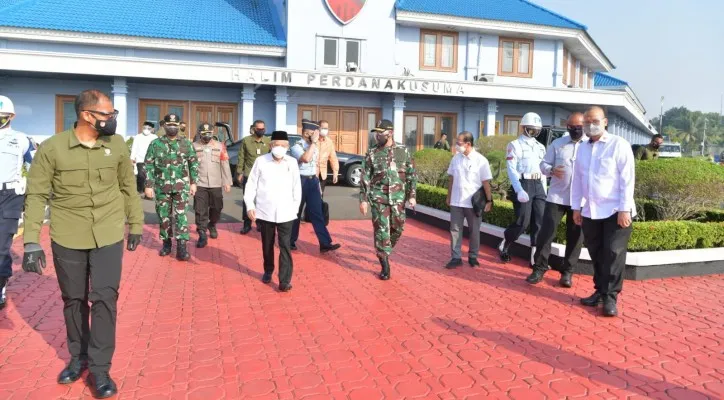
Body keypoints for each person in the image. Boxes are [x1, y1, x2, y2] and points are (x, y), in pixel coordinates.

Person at [22, 89, 143, 398]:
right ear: (88, 116)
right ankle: (78, 359)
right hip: (67, 234)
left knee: (104, 299)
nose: (113, 120)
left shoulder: (115, 145)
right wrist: (32, 241)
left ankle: (101, 370)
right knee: (73, 300)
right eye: (108, 114)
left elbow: (128, 187)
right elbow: (36, 196)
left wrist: (137, 224)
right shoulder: (52, 149)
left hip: (108, 233)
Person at [571, 106, 635, 317]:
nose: (590, 125)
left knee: (614, 254)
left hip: (616, 210)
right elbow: (578, 181)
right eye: (587, 122)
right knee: (596, 252)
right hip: (590, 210)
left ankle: (610, 297)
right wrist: (576, 207)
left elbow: (627, 179)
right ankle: (600, 290)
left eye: (595, 120)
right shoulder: (581, 148)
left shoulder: (619, 145)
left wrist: (625, 209)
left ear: (605, 122)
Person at [526, 113, 585, 287]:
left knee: (575, 236)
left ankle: (567, 272)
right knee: (546, 233)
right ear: (567, 127)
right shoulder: (557, 144)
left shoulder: (590, 146)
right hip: (557, 197)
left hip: (580, 200)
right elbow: (543, 165)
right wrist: (551, 170)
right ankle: (539, 268)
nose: (574, 130)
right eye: (571, 127)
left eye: (578, 127)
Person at [244, 131, 301, 292]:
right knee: (267, 244)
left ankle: (284, 280)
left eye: (283, 146)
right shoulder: (261, 161)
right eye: (277, 145)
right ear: (270, 145)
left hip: (287, 212)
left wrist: (295, 209)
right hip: (265, 211)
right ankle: (268, 270)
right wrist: (250, 205)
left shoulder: (292, 162)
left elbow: (297, 187)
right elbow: (251, 185)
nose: (280, 148)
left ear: (288, 147)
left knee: (285, 245)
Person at [359, 119, 417, 280]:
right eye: (376, 133)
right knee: (381, 231)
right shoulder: (372, 153)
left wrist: (412, 196)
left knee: (398, 228)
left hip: (398, 199)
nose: (377, 136)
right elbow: (365, 178)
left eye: (381, 133)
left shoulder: (402, 151)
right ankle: (384, 261)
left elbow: (411, 175)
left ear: (390, 133)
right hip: (379, 198)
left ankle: (385, 248)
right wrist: (363, 200)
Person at [144, 113, 199, 261]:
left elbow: (193, 163)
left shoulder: (186, 143)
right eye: (169, 125)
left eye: (175, 125)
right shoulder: (156, 144)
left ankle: (182, 247)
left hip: (181, 188)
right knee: (164, 216)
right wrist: (148, 185)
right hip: (162, 188)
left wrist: (194, 183)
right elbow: (148, 165)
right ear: (164, 126)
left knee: (181, 216)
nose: (172, 128)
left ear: (179, 126)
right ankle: (166, 243)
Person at [498, 112, 547, 266]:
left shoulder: (540, 147)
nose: (534, 132)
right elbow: (512, 170)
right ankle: (506, 241)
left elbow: (543, 171)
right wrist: (518, 189)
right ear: (523, 127)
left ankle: (535, 258)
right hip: (523, 183)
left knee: (539, 221)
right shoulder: (514, 145)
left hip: (538, 184)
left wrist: (544, 191)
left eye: (537, 130)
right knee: (522, 222)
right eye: (531, 129)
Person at [0, 95, 34, 310]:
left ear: (11, 116)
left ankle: (0, 285)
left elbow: (37, 166)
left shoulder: (21, 139)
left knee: (2, 244)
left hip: (9, 196)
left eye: (2, 117)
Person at [290, 119, 341, 253]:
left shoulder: (315, 145)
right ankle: (290, 241)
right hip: (301, 181)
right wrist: (313, 143)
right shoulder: (296, 146)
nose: (317, 135)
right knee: (296, 212)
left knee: (317, 213)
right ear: (306, 133)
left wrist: (318, 182)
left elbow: (318, 164)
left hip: (313, 181)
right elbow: (306, 159)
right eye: (314, 133)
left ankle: (325, 243)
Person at [444, 131, 493, 269]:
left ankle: (473, 256)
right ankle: (456, 257)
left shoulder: (481, 160)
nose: (457, 145)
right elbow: (451, 178)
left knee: (474, 230)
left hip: (473, 203)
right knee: (454, 229)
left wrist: (489, 201)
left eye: (459, 143)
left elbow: (486, 183)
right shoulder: (456, 158)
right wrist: (448, 196)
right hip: (456, 201)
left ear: (468, 144)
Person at [193, 123, 232, 248]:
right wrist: (191, 183)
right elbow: (188, 166)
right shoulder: (193, 146)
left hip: (216, 183)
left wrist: (227, 182)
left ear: (212, 133)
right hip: (199, 183)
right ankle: (202, 233)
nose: (207, 136)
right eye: (204, 134)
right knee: (200, 209)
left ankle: (212, 224)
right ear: (199, 133)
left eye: (209, 133)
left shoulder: (220, 146)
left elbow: (225, 164)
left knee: (217, 207)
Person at [237, 119, 270, 234]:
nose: (261, 131)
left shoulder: (268, 141)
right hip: (249, 173)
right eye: (259, 129)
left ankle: (260, 223)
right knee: (248, 199)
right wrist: (239, 172)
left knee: (262, 199)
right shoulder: (246, 141)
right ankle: (247, 224)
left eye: (263, 129)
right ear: (254, 129)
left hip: (264, 175)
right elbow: (241, 157)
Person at [130, 121, 156, 195]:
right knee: (141, 175)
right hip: (140, 159)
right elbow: (134, 148)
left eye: (148, 128)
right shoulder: (138, 136)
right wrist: (132, 158)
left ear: (152, 129)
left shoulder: (154, 137)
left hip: (151, 160)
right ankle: (140, 190)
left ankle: (148, 191)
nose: (146, 129)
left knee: (149, 176)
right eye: (145, 128)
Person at [316, 120, 339, 195]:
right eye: (323, 128)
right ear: (318, 128)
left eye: (327, 128)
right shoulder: (313, 140)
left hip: (322, 174)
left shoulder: (329, 142)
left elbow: (333, 158)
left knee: (320, 196)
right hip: (312, 174)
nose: (325, 130)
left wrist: (335, 172)